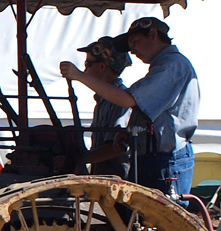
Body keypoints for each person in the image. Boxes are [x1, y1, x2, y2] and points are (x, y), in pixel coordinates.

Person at [60, 16, 199, 196]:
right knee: (145, 218)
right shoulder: (165, 67)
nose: (132, 50)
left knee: (158, 217)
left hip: (166, 159)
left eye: (135, 41)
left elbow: (128, 100)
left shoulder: (172, 66)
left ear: (153, 34)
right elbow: (154, 113)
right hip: (156, 157)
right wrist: (131, 132)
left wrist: (79, 75)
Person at [76, 35, 133, 178]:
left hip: (118, 184)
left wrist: (78, 160)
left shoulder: (119, 100)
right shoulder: (103, 101)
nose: (84, 70)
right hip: (106, 181)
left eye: (88, 64)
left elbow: (114, 149)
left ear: (102, 66)